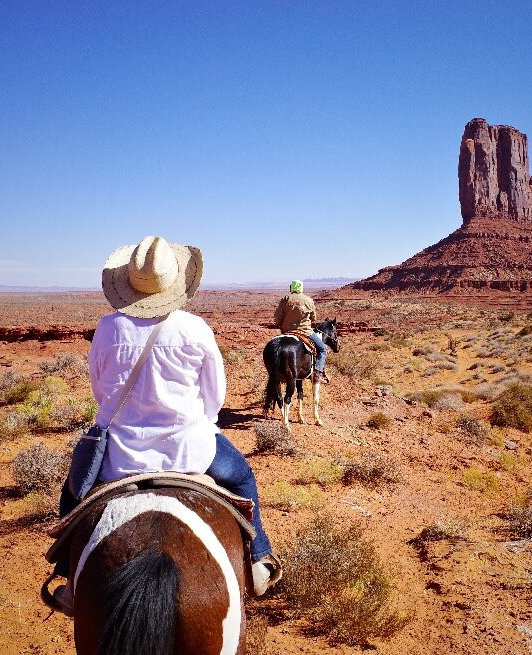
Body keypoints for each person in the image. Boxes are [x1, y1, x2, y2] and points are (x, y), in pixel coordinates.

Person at [52, 235, 281, 613]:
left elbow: (99, 388)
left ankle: (68, 577)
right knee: (241, 478)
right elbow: (215, 397)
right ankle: (259, 559)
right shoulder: (194, 328)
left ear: (128, 283)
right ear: (175, 282)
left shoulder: (108, 328)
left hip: (119, 456)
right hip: (190, 450)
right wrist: (199, 421)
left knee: (72, 493)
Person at [274, 279, 330, 383]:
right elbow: (314, 318)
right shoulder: (308, 300)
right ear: (301, 287)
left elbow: (277, 317)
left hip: (287, 331)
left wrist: (281, 324)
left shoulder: (286, 298)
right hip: (305, 332)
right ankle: (318, 373)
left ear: (292, 287)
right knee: (322, 349)